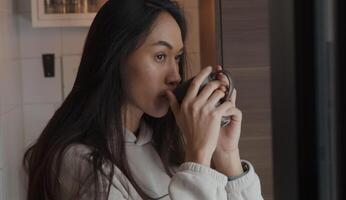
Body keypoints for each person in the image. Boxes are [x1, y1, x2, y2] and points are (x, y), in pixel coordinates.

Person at [23, 0, 263, 199]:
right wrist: (197, 161)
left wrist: (226, 156)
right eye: (160, 56)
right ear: (115, 58)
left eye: (177, 57)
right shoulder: (79, 163)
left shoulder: (167, 145)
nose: (175, 76)